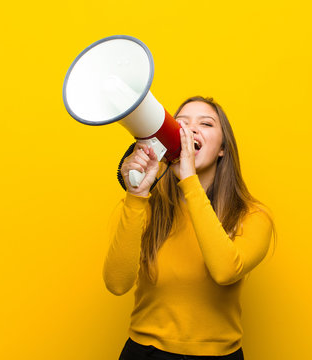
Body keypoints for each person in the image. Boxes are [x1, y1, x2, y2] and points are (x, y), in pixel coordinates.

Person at [103, 96, 275, 360]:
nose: (191, 130)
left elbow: (225, 271)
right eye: (181, 123)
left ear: (223, 149)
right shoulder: (147, 207)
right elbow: (116, 283)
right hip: (144, 353)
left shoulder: (252, 216)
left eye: (206, 124)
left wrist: (189, 181)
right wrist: (136, 195)